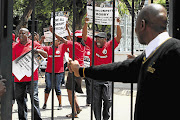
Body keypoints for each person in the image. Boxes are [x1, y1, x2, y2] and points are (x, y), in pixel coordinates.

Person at [69, 4, 180, 120]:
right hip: (96, 81)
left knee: (107, 101)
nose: (135, 30)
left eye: (135, 25)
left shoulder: (174, 51)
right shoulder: (150, 55)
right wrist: (82, 71)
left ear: (142, 24)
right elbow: (118, 70)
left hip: (106, 83)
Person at [81, 17, 121, 120]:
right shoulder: (92, 44)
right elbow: (84, 36)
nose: (97, 40)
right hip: (95, 78)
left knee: (108, 100)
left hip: (107, 78)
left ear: (105, 39)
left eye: (99, 38)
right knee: (96, 102)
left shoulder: (110, 45)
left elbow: (119, 37)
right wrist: (86, 23)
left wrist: (117, 24)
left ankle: (106, 117)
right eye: (96, 38)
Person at [49, 25, 85, 118]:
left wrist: (53, 32)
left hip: (73, 70)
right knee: (72, 91)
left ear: (76, 38)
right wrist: (67, 28)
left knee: (69, 92)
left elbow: (63, 39)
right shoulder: (81, 46)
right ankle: (77, 107)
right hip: (80, 70)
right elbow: (70, 38)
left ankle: (74, 112)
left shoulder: (75, 44)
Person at [12, 28, 47, 120]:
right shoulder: (15, 47)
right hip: (18, 78)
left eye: (22, 33)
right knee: (20, 99)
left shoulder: (34, 44)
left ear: (28, 34)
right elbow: (12, 62)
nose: (20, 35)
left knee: (34, 98)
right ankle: (22, 118)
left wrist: (38, 51)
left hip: (32, 77)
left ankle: (36, 118)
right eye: (19, 33)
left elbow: (46, 55)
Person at [41, 38, 68, 110]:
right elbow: (39, 47)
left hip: (59, 72)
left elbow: (68, 42)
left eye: (59, 41)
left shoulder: (62, 47)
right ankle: (45, 104)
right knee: (48, 87)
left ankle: (60, 104)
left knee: (57, 88)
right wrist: (41, 39)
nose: (58, 42)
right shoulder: (48, 48)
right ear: (52, 41)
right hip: (49, 71)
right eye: (56, 40)